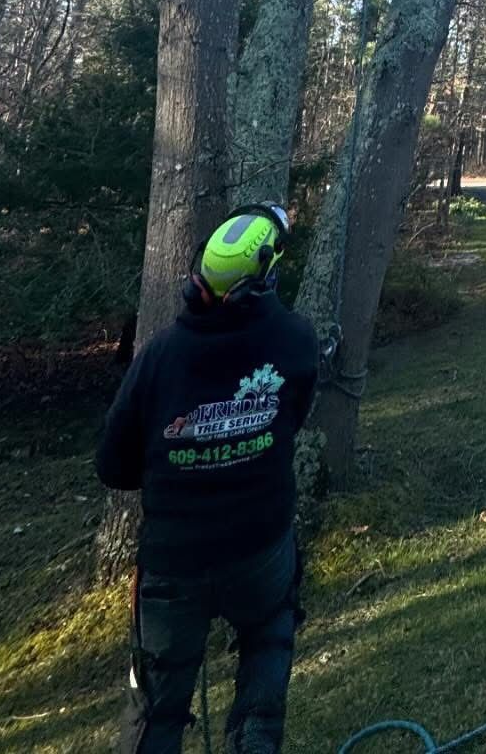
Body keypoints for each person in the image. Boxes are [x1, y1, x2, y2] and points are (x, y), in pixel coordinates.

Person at [97, 203, 319, 753]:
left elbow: (113, 464)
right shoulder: (294, 340)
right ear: (263, 281)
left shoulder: (158, 359)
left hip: (174, 565)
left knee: (156, 709)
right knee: (269, 639)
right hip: (261, 548)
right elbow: (294, 416)